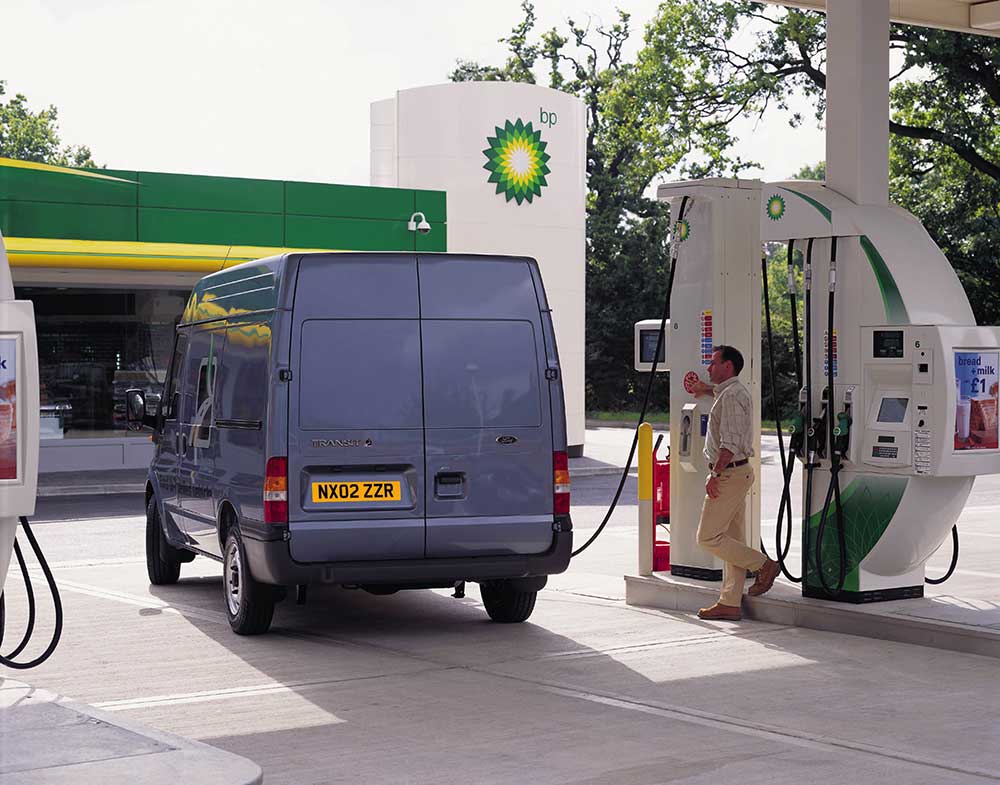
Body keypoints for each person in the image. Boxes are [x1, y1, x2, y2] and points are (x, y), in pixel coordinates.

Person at [690, 345, 779, 621]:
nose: (708, 367)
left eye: (713, 363)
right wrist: (704, 388)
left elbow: (728, 445)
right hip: (737, 472)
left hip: (728, 473)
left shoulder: (730, 397)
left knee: (708, 537)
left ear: (728, 366)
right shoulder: (729, 392)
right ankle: (729, 602)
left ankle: (764, 565)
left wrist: (714, 474)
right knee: (733, 539)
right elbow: (721, 396)